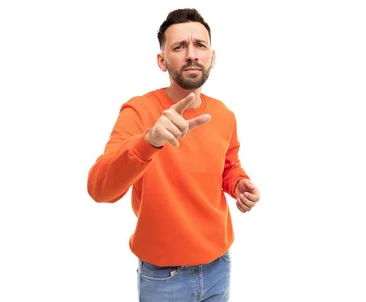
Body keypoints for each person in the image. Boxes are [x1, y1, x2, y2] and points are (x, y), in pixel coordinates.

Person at [86, 8, 260, 301]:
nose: (191, 54)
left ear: (212, 57)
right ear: (162, 60)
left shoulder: (224, 114)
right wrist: (149, 141)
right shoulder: (138, 112)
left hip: (220, 267)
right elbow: (99, 189)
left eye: (200, 46)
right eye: (179, 47)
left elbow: (229, 166)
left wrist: (238, 183)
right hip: (164, 277)